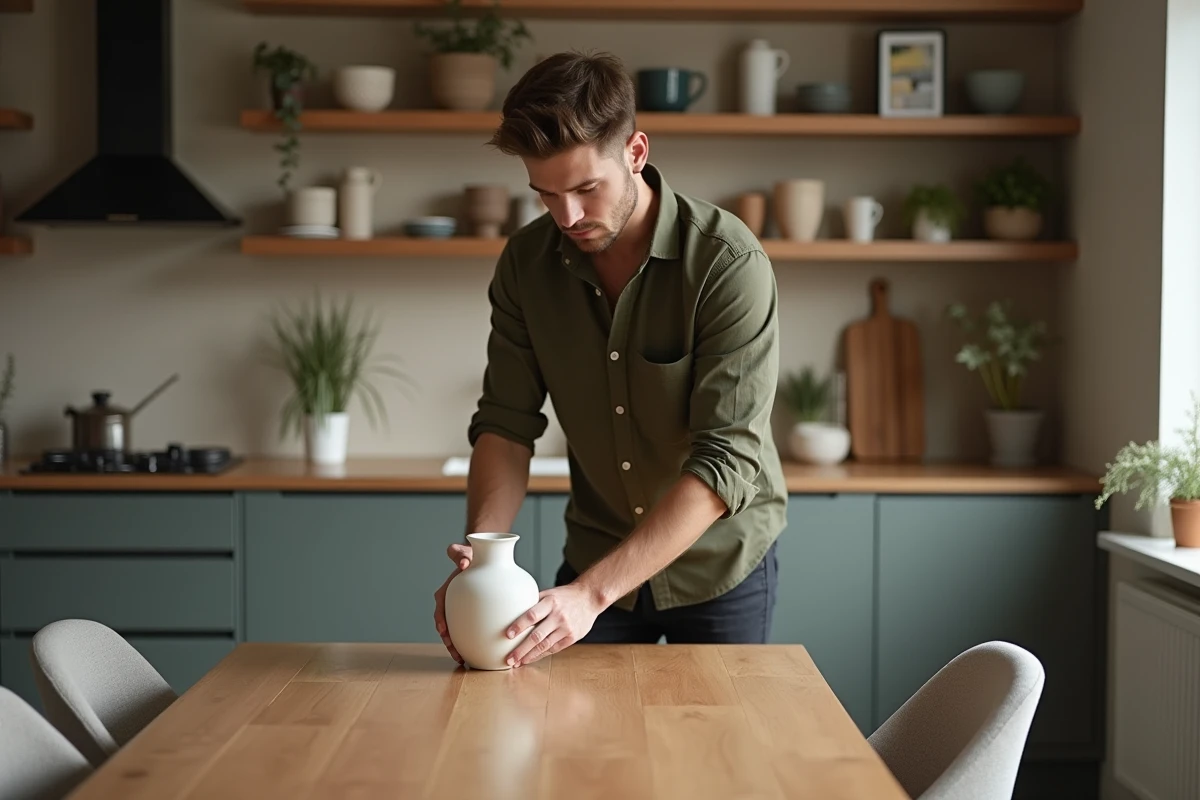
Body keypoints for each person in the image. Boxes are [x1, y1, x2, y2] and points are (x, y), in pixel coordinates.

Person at [432, 50, 788, 668]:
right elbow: (506, 423)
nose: (566, 216)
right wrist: (483, 557)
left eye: (585, 188)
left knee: (717, 759)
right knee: (580, 757)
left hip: (717, 566)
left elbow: (726, 458)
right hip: (595, 558)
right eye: (545, 193)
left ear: (636, 153)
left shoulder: (727, 264)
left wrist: (590, 595)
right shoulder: (525, 264)